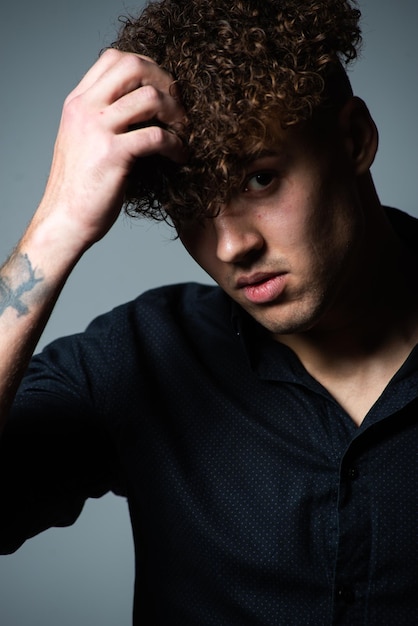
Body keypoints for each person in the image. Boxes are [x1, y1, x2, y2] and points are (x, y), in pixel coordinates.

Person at [1, 0, 418, 623]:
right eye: (193, 205)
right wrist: (57, 227)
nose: (230, 247)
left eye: (259, 180)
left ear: (354, 140)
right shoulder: (140, 355)